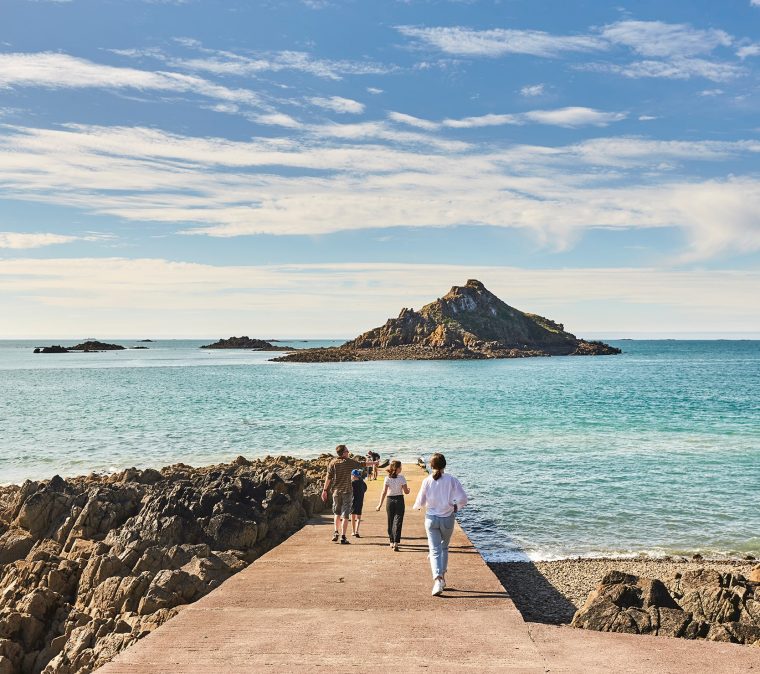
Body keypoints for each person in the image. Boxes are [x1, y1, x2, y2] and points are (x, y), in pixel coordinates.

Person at [413, 453, 468, 596]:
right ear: (445, 465)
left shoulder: (427, 481)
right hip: (447, 518)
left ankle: (438, 580)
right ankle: (442, 578)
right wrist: (456, 507)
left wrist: (422, 506)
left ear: (431, 466)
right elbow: (463, 499)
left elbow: (420, 502)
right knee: (444, 547)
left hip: (431, 519)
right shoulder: (451, 480)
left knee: (434, 549)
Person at [322, 444, 363, 544]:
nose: (348, 453)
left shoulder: (333, 463)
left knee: (336, 513)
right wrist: (374, 463)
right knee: (345, 515)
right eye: (347, 451)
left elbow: (328, 478)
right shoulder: (349, 462)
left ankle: (336, 532)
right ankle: (343, 537)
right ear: (343, 453)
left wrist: (324, 490)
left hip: (336, 492)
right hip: (347, 492)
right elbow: (362, 464)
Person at [375, 459, 410, 551]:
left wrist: (379, 505)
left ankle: (391, 541)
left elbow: (384, 492)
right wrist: (409, 490)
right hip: (399, 500)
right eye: (400, 467)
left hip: (389, 500)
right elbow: (406, 492)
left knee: (390, 521)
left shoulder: (387, 478)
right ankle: (396, 542)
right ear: (397, 468)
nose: (401, 468)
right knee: (398, 521)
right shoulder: (402, 478)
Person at [350, 469, 367, 537]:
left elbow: (349, 492)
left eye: (351, 475)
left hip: (353, 501)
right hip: (360, 500)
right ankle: (357, 530)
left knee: (353, 516)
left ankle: (353, 531)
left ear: (353, 476)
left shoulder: (352, 483)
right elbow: (365, 489)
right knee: (359, 516)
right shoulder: (362, 482)